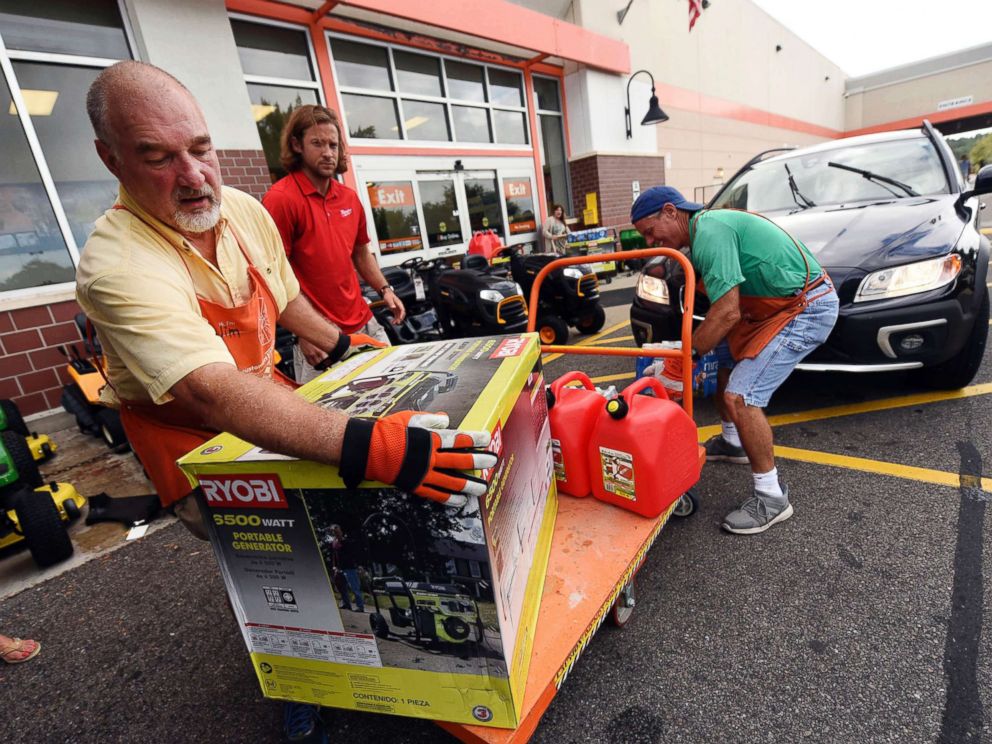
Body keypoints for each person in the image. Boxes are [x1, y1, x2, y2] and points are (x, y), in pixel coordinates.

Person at [77, 60, 495, 743]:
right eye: (158, 158)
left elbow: (286, 299)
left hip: (264, 394)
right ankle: (301, 683)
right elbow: (209, 393)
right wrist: (374, 445)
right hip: (188, 435)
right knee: (274, 557)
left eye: (202, 149)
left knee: (339, 536)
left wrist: (347, 352)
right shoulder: (117, 264)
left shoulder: (240, 212)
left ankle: (363, 648)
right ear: (111, 158)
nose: (193, 176)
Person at [631, 186, 838, 535]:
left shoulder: (710, 230)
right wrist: (698, 354)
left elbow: (726, 314)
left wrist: (686, 358)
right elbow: (727, 309)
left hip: (805, 309)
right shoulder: (701, 238)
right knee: (716, 362)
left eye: (651, 231)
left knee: (741, 396)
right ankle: (732, 441)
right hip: (768, 312)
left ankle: (772, 497)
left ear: (670, 211)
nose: (652, 241)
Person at [262, 105, 404, 384]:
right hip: (319, 334)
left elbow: (361, 252)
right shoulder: (281, 200)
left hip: (363, 321)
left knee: (398, 388)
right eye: (317, 143)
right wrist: (303, 332)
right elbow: (273, 274)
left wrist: (384, 289)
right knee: (332, 420)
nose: (327, 152)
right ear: (296, 145)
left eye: (333, 144)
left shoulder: (349, 198)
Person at [328, 524, 364, 612]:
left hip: (349, 567)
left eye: (336, 530)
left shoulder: (345, 540)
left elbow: (351, 552)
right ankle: (346, 604)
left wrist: (359, 565)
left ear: (340, 531)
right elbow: (335, 555)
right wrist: (334, 566)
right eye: (333, 531)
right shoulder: (334, 542)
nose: (335, 532)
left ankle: (360, 606)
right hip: (339, 568)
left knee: (354, 587)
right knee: (342, 587)